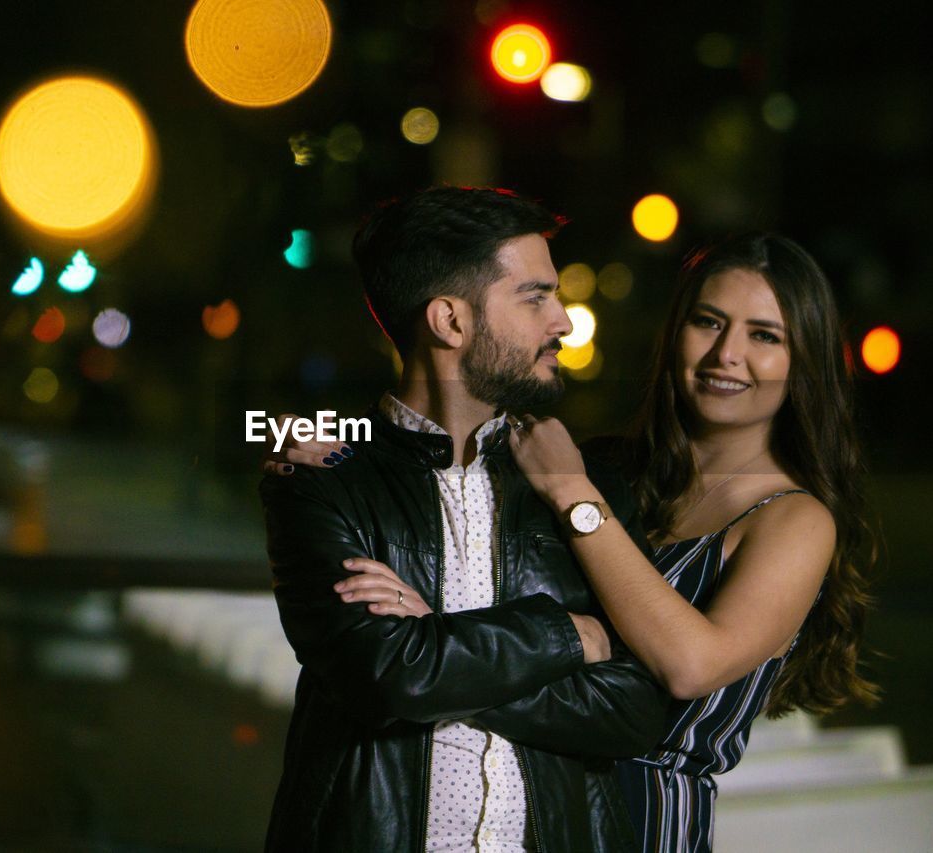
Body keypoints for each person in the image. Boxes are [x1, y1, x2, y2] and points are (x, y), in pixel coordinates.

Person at [271, 231, 878, 852]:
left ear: (804, 362)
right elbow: (442, 441)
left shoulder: (793, 519)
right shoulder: (615, 469)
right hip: (548, 798)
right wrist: (312, 434)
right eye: (708, 322)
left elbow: (690, 667)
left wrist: (446, 651)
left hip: (650, 815)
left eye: (764, 336)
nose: (726, 354)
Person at [258, 185, 670, 853]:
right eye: (535, 297)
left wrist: (439, 642)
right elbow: (388, 673)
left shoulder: (579, 483)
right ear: (450, 320)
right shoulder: (321, 476)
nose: (562, 322)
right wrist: (570, 634)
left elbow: (635, 710)